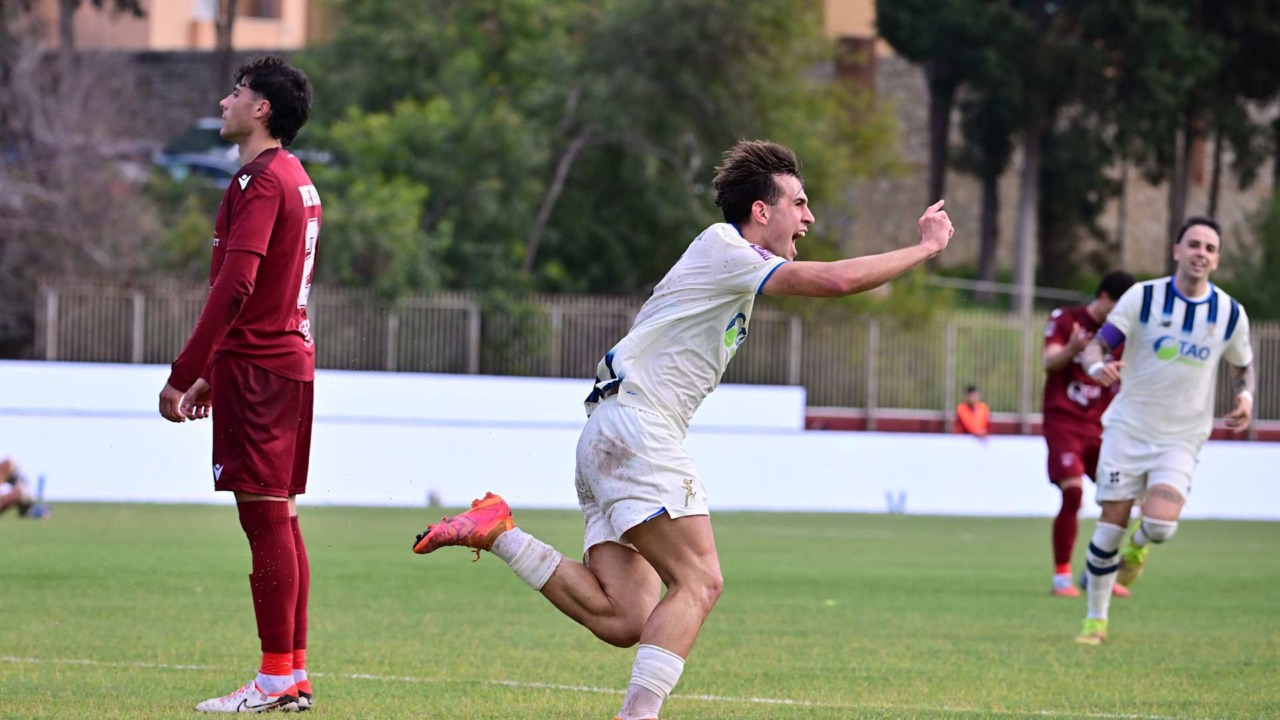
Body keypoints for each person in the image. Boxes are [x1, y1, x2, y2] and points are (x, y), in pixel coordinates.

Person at [412, 140, 954, 720]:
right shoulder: (726, 246)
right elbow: (834, 282)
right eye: (799, 202)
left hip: (607, 434)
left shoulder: (732, 270)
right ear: (761, 211)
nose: (809, 217)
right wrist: (924, 248)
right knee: (700, 581)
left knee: (625, 618)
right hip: (640, 428)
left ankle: (498, 531)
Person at [157, 56, 321, 711]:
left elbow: (237, 283)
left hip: (260, 367)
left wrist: (186, 372)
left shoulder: (260, 180)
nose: (225, 101)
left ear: (261, 110)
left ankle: (276, 679)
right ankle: (293, 671)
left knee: (265, 524)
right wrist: (216, 374)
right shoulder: (297, 177)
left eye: (236, 92)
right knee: (281, 518)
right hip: (284, 363)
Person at [1074, 216, 1254, 645]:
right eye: (1193, 244)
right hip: (1128, 430)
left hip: (1181, 438)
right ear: (1176, 250)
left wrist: (1245, 398)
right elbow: (1099, 343)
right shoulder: (1143, 297)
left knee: (1159, 527)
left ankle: (1140, 546)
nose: (1201, 253)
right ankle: (1095, 621)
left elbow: (1242, 366)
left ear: (1217, 259)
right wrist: (1097, 365)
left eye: (1210, 248)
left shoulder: (1229, 313)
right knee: (1108, 526)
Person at [1041, 271, 1136, 598]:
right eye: (1122, 306)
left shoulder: (1123, 335)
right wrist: (1071, 349)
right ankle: (1061, 576)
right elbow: (1049, 362)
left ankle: (1096, 573)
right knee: (1073, 493)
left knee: (1121, 500)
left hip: (1102, 427)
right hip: (1064, 421)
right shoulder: (1067, 320)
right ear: (1106, 298)